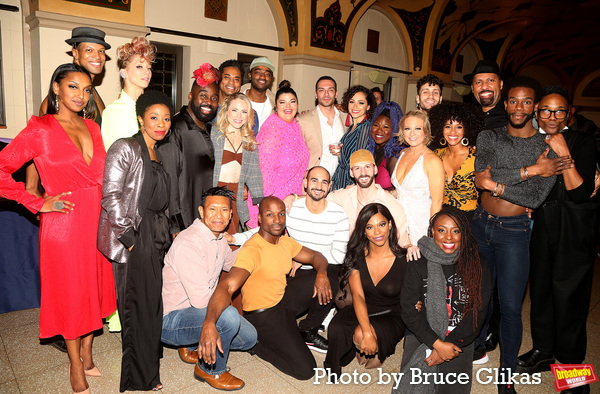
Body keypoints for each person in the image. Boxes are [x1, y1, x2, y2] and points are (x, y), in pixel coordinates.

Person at [0, 63, 117, 394]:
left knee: (94, 287)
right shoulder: (40, 129)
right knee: (71, 294)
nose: (81, 95)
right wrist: (37, 201)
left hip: (96, 218)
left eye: (86, 89)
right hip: (64, 225)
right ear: (56, 88)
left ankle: (89, 352)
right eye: (73, 87)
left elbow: (103, 176)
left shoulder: (93, 128)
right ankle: (74, 364)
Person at [472, 76, 570, 394]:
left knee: (512, 307)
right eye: (513, 100)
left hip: (514, 233)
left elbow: (534, 199)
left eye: (526, 102)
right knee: (478, 298)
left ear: (536, 107)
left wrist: (498, 184)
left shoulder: (547, 147)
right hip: (480, 224)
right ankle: (469, 354)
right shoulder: (489, 136)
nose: (518, 107)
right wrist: (530, 171)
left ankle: (505, 379)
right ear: (505, 103)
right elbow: (480, 178)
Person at [29, 26, 113, 352]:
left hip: (93, 198)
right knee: (71, 276)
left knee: (91, 272)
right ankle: (69, 333)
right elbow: (39, 153)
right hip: (68, 202)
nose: (96, 56)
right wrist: (35, 193)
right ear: (74, 53)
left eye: (100, 52)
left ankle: (85, 329)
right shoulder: (57, 100)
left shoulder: (94, 99)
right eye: (89, 50)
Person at [516, 87, 597, 393]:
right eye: (546, 111)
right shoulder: (532, 141)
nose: (551, 117)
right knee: (542, 292)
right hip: (542, 222)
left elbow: (577, 191)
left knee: (570, 299)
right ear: (537, 112)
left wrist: (564, 152)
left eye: (558, 111)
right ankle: (543, 351)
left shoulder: (583, 141)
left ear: (569, 113)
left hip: (575, 226)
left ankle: (573, 375)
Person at [199, 197, 332, 380]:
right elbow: (227, 286)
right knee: (306, 370)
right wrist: (209, 322)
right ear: (260, 218)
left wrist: (322, 274)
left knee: (332, 276)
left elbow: (316, 256)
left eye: (281, 214)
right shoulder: (253, 249)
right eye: (270, 215)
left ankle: (306, 330)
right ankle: (255, 345)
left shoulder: (286, 242)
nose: (277, 220)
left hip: (283, 299)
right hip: (264, 315)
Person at [98, 90, 176, 392]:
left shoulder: (158, 151)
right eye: (154, 117)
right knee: (137, 306)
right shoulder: (125, 147)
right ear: (141, 118)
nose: (161, 124)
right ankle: (138, 378)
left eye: (166, 118)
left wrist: (167, 230)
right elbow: (111, 194)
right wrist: (129, 237)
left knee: (153, 303)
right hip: (136, 233)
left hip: (155, 232)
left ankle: (150, 368)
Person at [231, 166, 350, 353]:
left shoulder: (338, 214)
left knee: (331, 280)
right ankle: (279, 328)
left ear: (330, 186)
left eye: (324, 182)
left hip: (321, 265)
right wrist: (235, 238)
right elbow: (265, 229)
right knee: (283, 303)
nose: (319, 186)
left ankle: (308, 329)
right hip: (294, 270)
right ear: (305, 183)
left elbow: (340, 255)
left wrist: (307, 259)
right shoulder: (292, 209)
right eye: (314, 181)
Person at [161, 187, 257, 391]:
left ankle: (193, 344)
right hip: (171, 320)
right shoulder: (189, 242)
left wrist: (256, 245)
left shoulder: (220, 238)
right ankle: (209, 369)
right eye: (212, 209)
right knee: (227, 317)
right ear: (201, 211)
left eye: (224, 210)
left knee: (249, 338)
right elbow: (201, 301)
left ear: (231, 215)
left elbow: (233, 264)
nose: (218, 216)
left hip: (197, 313)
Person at [396, 206, 490, 394]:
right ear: (432, 231)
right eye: (442, 230)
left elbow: (478, 312)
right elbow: (409, 309)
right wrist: (437, 345)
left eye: (456, 231)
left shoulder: (477, 263)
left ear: (464, 233)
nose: (449, 237)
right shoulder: (418, 261)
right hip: (422, 330)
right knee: (414, 384)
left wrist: (449, 345)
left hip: (460, 335)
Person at [324, 203, 407, 376]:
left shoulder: (405, 258)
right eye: (370, 227)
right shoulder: (357, 255)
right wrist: (368, 331)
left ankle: (374, 342)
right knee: (337, 327)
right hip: (362, 307)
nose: (377, 232)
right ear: (363, 231)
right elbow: (359, 296)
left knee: (365, 349)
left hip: (392, 313)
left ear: (390, 224)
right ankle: (354, 345)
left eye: (381, 224)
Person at [158, 64, 220, 230]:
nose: (209, 102)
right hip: (183, 223)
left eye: (214, 98)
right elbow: (169, 181)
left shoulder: (207, 128)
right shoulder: (176, 129)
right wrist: (175, 225)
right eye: (203, 95)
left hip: (203, 219)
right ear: (190, 96)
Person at [249, 81, 309, 227]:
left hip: (289, 200)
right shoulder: (272, 130)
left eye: (292, 102)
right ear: (276, 106)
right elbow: (264, 173)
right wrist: (268, 209)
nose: (288, 106)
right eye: (283, 102)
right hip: (271, 204)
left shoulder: (294, 126)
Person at [389, 110, 445, 246]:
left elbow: (437, 202)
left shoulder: (432, 160)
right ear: (402, 131)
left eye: (417, 128)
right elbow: (402, 191)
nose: (412, 133)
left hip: (420, 225)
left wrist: (431, 235)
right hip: (399, 221)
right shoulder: (402, 153)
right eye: (407, 128)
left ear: (425, 131)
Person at [211, 93, 263, 233]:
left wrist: (260, 203)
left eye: (244, 111)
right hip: (215, 193)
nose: (239, 116)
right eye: (234, 110)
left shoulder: (249, 140)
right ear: (226, 110)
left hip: (236, 195)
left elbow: (254, 172)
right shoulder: (214, 134)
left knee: (231, 240)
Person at [430, 103, 485, 220]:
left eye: (459, 127)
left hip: (470, 220)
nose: (453, 131)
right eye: (448, 126)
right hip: (441, 218)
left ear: (466, 129)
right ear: (441, 128)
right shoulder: (436, 155)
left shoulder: (477, 156)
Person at [101, 36, 156, 149]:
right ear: (124, 72)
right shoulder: (114, 111)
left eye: (149, 68)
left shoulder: (152, 109)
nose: (147, 72)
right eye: (139, 67)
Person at [297, 76, 348, 174]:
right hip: (314, 183)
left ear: (336, 94)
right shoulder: (303, 120)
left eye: (330, 90)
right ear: (316, 94)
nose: (326, 94)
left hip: (341, 182)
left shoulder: (347, 119)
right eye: (321, 90)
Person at [331, 85, 375, 190]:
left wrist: (350, 188)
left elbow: (358, 161)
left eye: (361, 103)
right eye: (352, 102)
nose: (355, 106)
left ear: (368, 106)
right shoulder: (352, 126)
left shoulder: (365, 127)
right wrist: (340, 153)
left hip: (349, 183)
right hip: (341, 178)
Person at [366, 101, 404, 189]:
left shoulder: (395, 154)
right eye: (376, 125)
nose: (379, 130)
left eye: (386, 127)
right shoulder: (370, 150)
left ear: (394, 130)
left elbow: (402, 191)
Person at [215, 59, 259, 134]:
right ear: (219, 79)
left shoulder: (250, 114)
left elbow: (251, 142)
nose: (231, 82)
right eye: (227, 77)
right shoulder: (209, 110)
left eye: (236, 79)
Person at [464, 60, 507, 130]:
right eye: (478, 82)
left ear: (501, 84)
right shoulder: (467, 119)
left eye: (490, 80)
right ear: (472, 88)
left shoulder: (512, 119)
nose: (484, 86)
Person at [241, 56, 275, 129]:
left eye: (267, 74)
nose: (262, 77)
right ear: (250, 75)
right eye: (258, 72)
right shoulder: (235, 100)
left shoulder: (276, 106)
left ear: (271, 78)